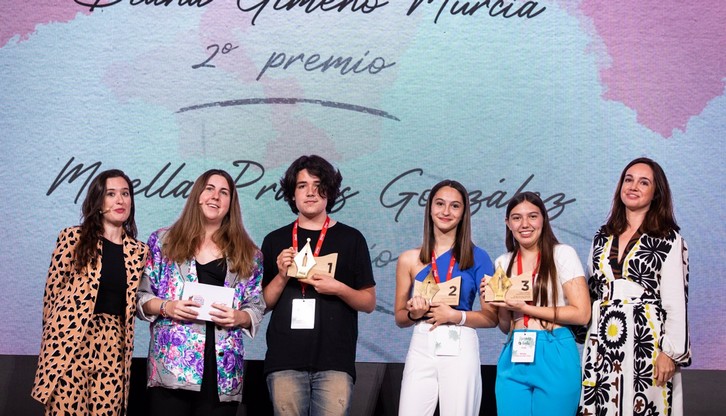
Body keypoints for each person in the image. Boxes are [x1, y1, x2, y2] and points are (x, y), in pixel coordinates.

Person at [137, 169, 264, 416]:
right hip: (171, 367)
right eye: (209, 189)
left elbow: (256, 305)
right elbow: (141, 297)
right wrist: (167, 307)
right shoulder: (163, 242)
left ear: (230, 203)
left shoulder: (250, 254)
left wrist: (239, 317)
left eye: (224, 192)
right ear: (197, 195)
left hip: (223, 373)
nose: (215, 196)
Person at [261, 155, 376, 416]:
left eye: (318, 185)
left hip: (335, 360)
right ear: (292, 194)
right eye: (302, 186)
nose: (310, 192)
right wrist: (282, 275)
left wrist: (338, 288)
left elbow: (368, 302)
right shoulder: (275, 240)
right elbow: (262, 305)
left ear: (330, 191)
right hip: (284, 359)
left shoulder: (352, 239)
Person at [31, 169, 149, 415]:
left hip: (113, 345)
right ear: (98, 201)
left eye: (125, 194)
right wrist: (51, 351)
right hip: (70, 343)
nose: (120, 200)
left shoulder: (139, 252)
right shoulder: (72, 238)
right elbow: (51, 297)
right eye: (111, 194)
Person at [579, 158, 690, 416]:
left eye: (644, 182)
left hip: (647, 342)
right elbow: (591, 289)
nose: (633, 186)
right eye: (628, 180)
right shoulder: (602, 236)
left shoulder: (668, 238)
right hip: (602, 338)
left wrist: (670, 353)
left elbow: (675, 301)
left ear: (656, 193)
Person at [395, 179, 497, 416]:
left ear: (463, 213)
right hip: (421, 342)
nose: (446, 211)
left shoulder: (479, 257)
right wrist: (414, 313)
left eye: (455, 206)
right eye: (440, 204)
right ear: (430, 208)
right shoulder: (408, 259)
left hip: (460, 340)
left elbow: (491, 317)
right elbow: (400, 317)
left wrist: (456, 316)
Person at [487, 191, 591, 416]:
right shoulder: (502, 262)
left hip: (555, 349)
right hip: (514, 350)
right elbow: (505, 325)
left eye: (532, 216)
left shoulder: (562, 254)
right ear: (508, 223)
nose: (525, 224)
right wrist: (496, 301)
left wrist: (526, 308)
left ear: (543, 219)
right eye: (517, 218)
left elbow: (582, 313)